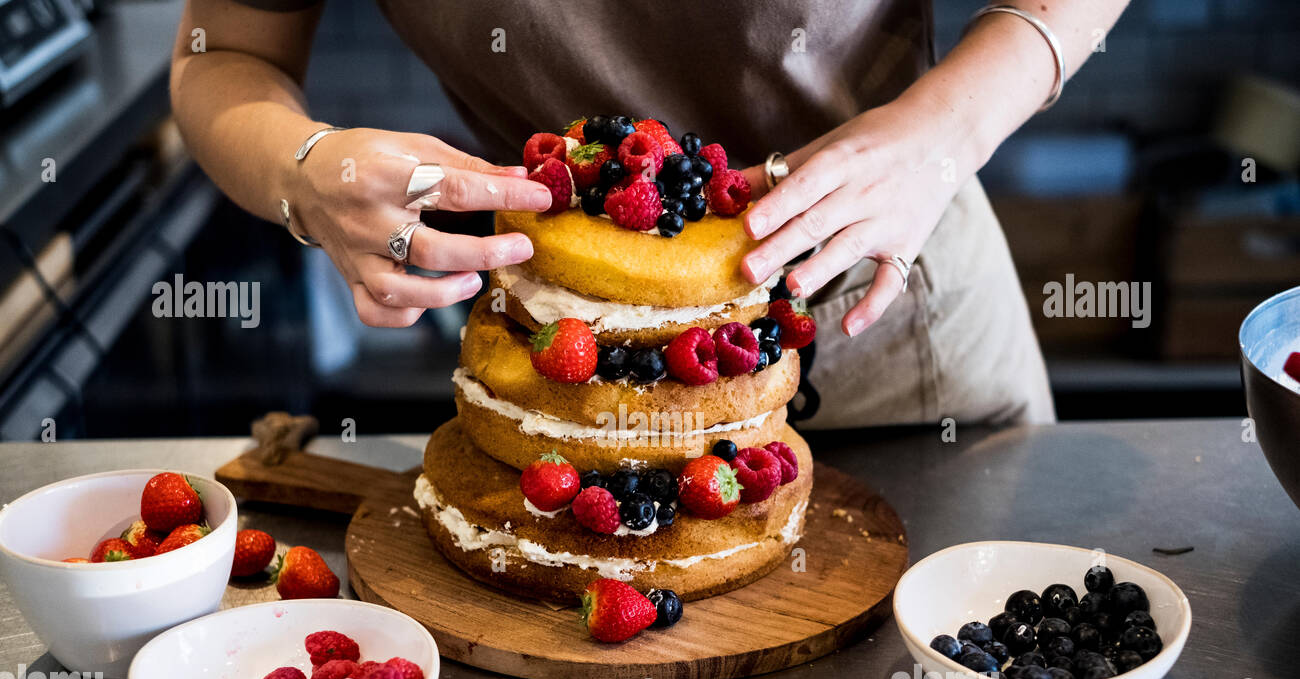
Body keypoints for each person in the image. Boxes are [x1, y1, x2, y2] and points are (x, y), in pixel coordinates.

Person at [171, 0, 1130, 428]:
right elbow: (223, 53)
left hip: (884, 327)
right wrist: (305, 170)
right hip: (573, 362)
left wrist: (945, 129)